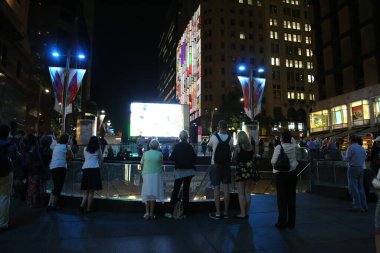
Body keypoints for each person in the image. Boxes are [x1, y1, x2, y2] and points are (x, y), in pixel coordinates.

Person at [165, 130, 196, 219]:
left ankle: (170, 211)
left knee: (175, 191)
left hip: (179, 172)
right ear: (187, 137)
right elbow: (194, 159)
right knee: (186, 192)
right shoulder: (190, 146)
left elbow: (171, 158)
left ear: (180, 137)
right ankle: (186, 212)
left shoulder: (177, 146)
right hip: (189, 172)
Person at [271, 130, 298, 229]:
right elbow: (293, 140)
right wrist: (288, 136)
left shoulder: (279, 147)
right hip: (292, 174)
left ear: (282, 138)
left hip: (281, 175)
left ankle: (282, 222)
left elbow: (273, 161)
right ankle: (291, 223)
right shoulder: (294, 146)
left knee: (281, 199)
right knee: (291, 199)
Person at [207, 120, 234, 220]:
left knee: (216, 189)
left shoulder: (214, 137)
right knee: (227, 189)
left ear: (218, 127)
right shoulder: (230, 139)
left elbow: (208, 147)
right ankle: (226, 212)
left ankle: (218, 213)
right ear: (226, 128)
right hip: (226, 166)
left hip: (215, 165)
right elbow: (230, 150)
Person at [47, 134, 73, 211]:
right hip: (61, 167)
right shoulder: (66, 146)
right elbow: (72, 156)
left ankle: (50, 204)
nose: (69, 140)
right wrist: (70, 146)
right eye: (69, 139)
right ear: (66, 140)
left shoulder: (56, 146)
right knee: (58, 187)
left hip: (52, 167)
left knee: (55, 187)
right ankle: (53, 205)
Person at [232, 131, 255, 219]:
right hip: (249, 171)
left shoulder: (238, 147)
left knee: (241, 193)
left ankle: (242, 213)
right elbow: (253, 158)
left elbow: (234, 159)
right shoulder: (251, 147)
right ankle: (246, 211)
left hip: (240, 171)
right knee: (247, 192)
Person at [342, 135, 368, 212]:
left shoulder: (351, 148)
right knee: (361, 188)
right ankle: (364, 206)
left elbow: (346, 159)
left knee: (354, 187)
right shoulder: (362, 148)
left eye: (349, 140)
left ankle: (357, 206)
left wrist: (342, 155)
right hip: (361, 168)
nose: (348, 141)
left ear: (351, 140)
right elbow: (365, 157)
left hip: (353, 168)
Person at [140, 139, 164, 220]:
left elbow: (141, 164)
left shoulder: (145, 154)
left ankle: (146, 213)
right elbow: (161, 164)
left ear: (150, 145)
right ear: (157, 146)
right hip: (156, 175)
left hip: (146, 175)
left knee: (147, 193)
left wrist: (143, 172)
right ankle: (152, 213)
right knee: (153, 194)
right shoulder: (160, 154)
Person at [79, 136, 103, 214]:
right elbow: (101, 159)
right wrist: (100, 167)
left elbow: (85, 159)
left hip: (85, 168)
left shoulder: (85, 149)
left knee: (86, 190)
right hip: (94, 169)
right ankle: (88, 208)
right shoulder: (98, 149)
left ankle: (82, 206)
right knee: (91, 190)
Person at [0, 125, 17, 232]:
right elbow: (16, 156)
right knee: (4, 197)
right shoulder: (11, 144)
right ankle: (2, 224)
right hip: (6, 172)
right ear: (8, 133)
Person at [25, 135, 46, 208]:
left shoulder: (29, 150)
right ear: (35, 141)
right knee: (36, 188)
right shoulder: (36, 150)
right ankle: (35, 202)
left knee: (32, 188)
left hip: (31, 172)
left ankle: (31, 202)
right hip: (37, 172)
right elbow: (39, 161)